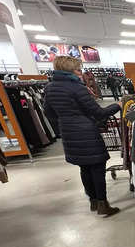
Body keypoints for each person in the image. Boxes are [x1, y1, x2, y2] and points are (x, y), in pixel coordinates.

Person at [44, 56, 122, 216]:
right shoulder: (77, 88)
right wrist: (117, 105)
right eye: (79, 69)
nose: (81, 73)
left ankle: (93, 202)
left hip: (68, 132)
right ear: (70, 71)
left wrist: (65, 120)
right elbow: (98, 113)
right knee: (98, 167)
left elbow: (48, 112)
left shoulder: (50, 88)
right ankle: (103, 204)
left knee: (84, 167)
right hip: (87, 131)